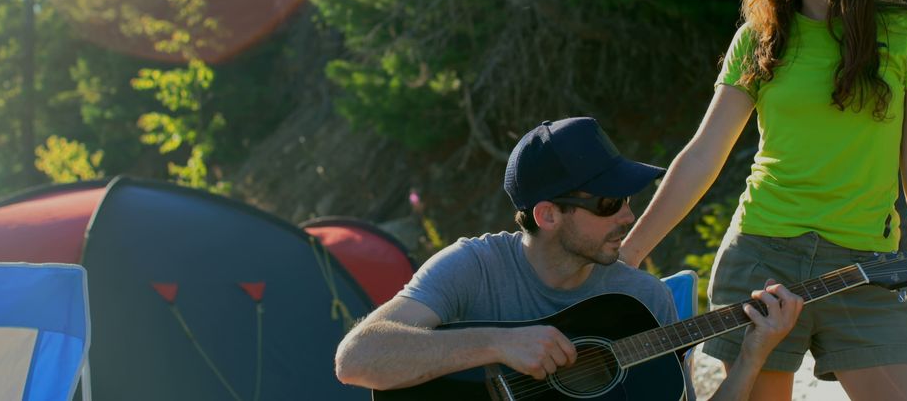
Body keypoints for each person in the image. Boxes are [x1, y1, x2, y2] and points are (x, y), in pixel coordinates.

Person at [618, 0, 907, 401]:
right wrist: (630, 256)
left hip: (870, 270)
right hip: (763, 258)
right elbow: (705, 152)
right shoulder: (759, 35)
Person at [335, 117, 804, 400]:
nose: (628, 216)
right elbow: (357, 357)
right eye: (607, 204)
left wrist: (751, 355)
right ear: (548, 214)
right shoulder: (472, 267)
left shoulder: (642, 299)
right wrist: (499, 345)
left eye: (627, 198)